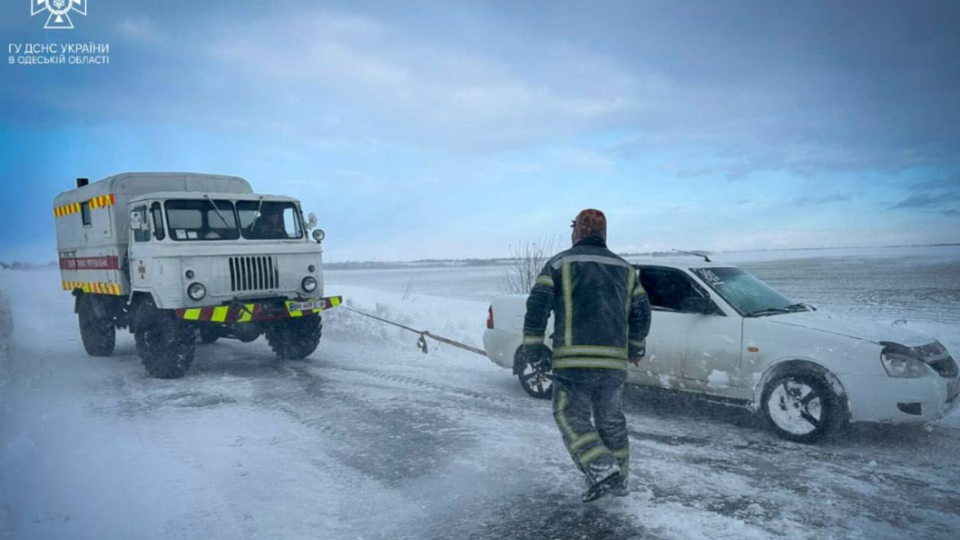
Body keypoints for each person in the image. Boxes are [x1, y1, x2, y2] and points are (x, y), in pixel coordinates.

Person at [521, 209, 651, 502]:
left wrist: (533, 348)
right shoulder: (626, 269)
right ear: (604, 234)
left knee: (570, 415)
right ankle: (621, 481)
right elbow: (642, 312)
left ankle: (603, 471)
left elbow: (537, 308)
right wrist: (636, 348)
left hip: (573, 363)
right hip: (614, 364)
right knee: (611, 420)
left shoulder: (558, 264)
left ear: (577, 232)